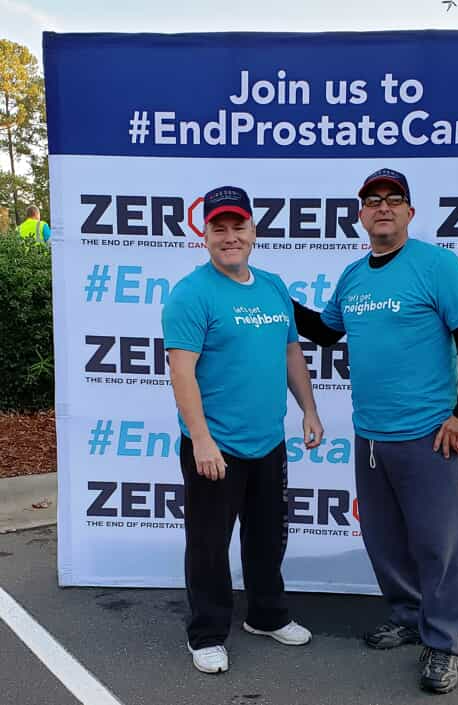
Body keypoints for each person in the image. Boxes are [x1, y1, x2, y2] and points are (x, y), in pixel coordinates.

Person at [293, 168, 458, 695]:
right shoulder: (354, 277)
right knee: (384, 539)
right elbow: (325, 331)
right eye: (372, 200)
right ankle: (408, 615)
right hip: (371, 435)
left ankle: (444, 642)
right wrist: (272, 297)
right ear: (360, 215)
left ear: (409, 212)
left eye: (393, 199)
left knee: (438, 545)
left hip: (429, 434)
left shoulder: (437, 265)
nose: (382, 207)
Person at [162, 185, 323, 675]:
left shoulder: (273, 286)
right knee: (210, 543)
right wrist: (203, 440)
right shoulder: (191, 294)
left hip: (268, 441)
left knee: (267, 536)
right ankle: (207, 632)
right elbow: (181, 371)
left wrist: (309, 410)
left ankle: (266, 615)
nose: (230, 236)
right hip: (216, 446)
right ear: (204, 234)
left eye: (239, 227)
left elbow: (291, 352)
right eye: (219, 228)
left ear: (253, 231)